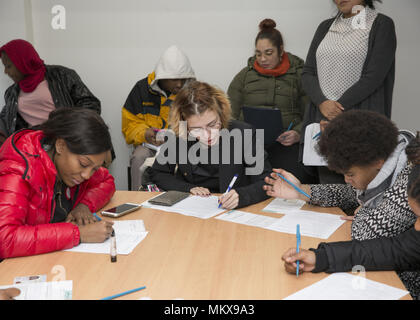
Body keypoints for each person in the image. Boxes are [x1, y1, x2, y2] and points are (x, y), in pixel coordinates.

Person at [264, 110, 419, 298]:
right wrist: (301, 191)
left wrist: (365, 212)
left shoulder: (411, 175)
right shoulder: (384, 161)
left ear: (378, 162)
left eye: (350, 174)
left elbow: (367, 233)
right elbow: (353, 194)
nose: (346, 180)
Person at [300, 0, 396, 183]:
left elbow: (374, 76)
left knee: (357, 195)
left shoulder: (381, 24)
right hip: (322, 121)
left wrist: (338, 109)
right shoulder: (325, 27)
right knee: (327, 193)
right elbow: (308, 72)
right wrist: (323, 103)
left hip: (359, 125)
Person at [0, 108, 115, 259]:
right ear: (60, 145)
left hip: (51, 257)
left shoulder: (71, 167)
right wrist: (79, 234)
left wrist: (84, 205)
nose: (87, 175)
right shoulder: (19, 168)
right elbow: (5, 239)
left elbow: (106, 181)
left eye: (94, 169)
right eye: (82, 164)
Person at [148, 81, 272, 209]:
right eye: (196, 129)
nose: (207, 135)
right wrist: (188, 188)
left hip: (235, 211)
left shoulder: (244, 134)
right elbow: (159, 173)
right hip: (193, 209)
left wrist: (242, 196)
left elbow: (266, 180)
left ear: (221, 113)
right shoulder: (180, 135)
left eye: (212, 124)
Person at [228, 19, 312, 183]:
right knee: (250, 181)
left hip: (287, 144)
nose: (263, 59)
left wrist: (298, 133)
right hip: (250, 144)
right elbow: (230, 113)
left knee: (290, 181)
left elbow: (311, 112)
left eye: (268, 53)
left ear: (281, 50)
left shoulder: (299, 75)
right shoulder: (244, 76)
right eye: (258, 54)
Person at [0, 39, 101, 146]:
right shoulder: (11, 93)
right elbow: (5, 119)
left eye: (8, 66)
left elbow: (90, 104)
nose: (6, 72)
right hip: (35, 146)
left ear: (22, 62)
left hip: (68, 140)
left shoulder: (62, 75)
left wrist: (69, 129)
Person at [122, 45, 196, 190]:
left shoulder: (192, 91)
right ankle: (138, 200)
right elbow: (129, 124)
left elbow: (198, 122)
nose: (179, 84)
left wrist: (179, 135)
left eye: (182, 78)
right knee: (138, 158)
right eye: (174, 79)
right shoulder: (141, 89)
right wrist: (145, 133)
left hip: (182, 146)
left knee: (190, 159)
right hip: (149, 145)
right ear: (161, 77)